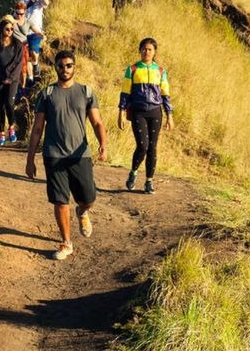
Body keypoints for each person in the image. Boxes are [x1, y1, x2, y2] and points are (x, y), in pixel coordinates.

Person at [26, 50, 107, 261]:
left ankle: (82, 212)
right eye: (61, 66)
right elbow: (37, 128)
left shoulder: (86, 92)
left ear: (75, 67)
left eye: (69, 65)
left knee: (89, 198)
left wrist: (103, 145)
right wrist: (30, 159)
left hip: (80, 155)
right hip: (54, 155)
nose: (65, 69)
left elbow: (97, 122)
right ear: (55, 68)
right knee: (60, 201)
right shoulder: (47, 94)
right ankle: (66, 243)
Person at [118, 37, 173, 195]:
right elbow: (125, 92)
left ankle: (149, 181)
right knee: (143, 146)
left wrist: (170, 115)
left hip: (155, 111)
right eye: (144, 49)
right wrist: (121, 112)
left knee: (152, 148)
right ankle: (133, 172)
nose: (146, 52)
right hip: (138, 111)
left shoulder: (160, 71)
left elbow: (165, 94)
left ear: (154, 52)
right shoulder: (133, 69)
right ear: (139, 50)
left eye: (149, 49)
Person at [0, 17, 27, 145]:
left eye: (11, 29)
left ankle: (11, 127)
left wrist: (10, 78)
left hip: (12, 79)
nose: (10, 31)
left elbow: (19, 64)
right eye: (7, 29)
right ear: (2, 30)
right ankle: (2, 134)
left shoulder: (18, 45)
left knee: (9, 103)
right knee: (0, 106)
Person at [22, 0, 49, 80]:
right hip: (24, 31)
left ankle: (36, 65)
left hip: (36, 31)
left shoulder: (39, 0)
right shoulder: (22, 0)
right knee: (26, 55)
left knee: (33, 52)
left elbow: (47, 2)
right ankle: (31, 78)